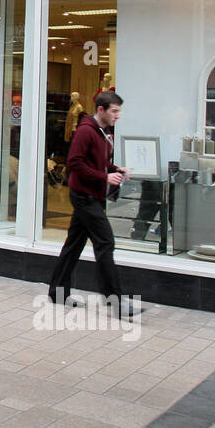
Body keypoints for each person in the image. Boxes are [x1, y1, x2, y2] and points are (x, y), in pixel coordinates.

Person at [48, 90, 138, 316]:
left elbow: (98, 161)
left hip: (90, 196)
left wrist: (115, 169)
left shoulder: (102, 131)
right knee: (105, 243)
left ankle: (57, 293)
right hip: (84, 196)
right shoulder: (85, 132)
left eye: (119, 111)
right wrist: (104, 177)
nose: (118, 116)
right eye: (114, 111)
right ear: (101, 110)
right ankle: (115, 302)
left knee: (74, 245)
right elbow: (74, 162)